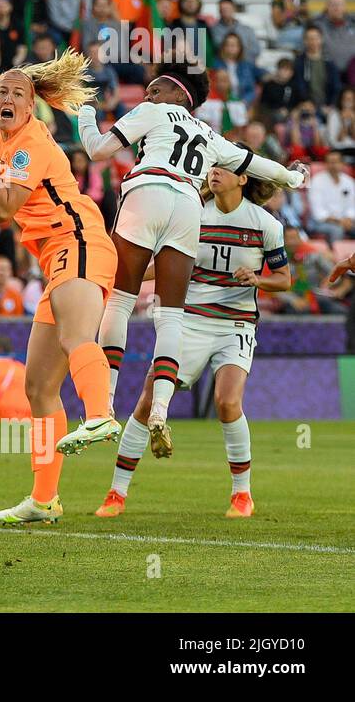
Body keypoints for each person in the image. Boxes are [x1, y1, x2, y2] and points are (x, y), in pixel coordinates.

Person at [77, 63, 307, 458]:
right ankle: (161, 411)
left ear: (176, 93)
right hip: (187, 205)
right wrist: (294, 178)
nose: (147, 96)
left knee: (119, 299)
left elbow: (97, 150)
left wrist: (83, 111)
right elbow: (258, 165)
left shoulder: (151, 112)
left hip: (147, 189)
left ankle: (103, 408)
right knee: (171, 315)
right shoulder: (210, 135)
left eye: (154, 89)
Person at [0, 52, 120, 525]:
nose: (8, 98)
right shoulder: (10, 144)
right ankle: (44, 498)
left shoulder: (24, 140)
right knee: (38, 387)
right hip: (57, 257)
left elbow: (10, 205)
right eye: (2, 92)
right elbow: (15, 202)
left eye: (17, 93)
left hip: (78, 242)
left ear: (32, 106)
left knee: (76, 339)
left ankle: (101, 413)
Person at [96, 168, 291, 520]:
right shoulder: (193, 214)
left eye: (224, 167)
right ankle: (116, 493)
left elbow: (285, 279)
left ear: (243, 179)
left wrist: (258, 279)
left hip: (236, 324)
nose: (213, 172)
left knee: (227, 402)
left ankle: (242, 495)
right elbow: (165, 266)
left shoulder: (266, 225)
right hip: (190, 320)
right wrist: (122, 271)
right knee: (147, 402)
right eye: (212, 166)